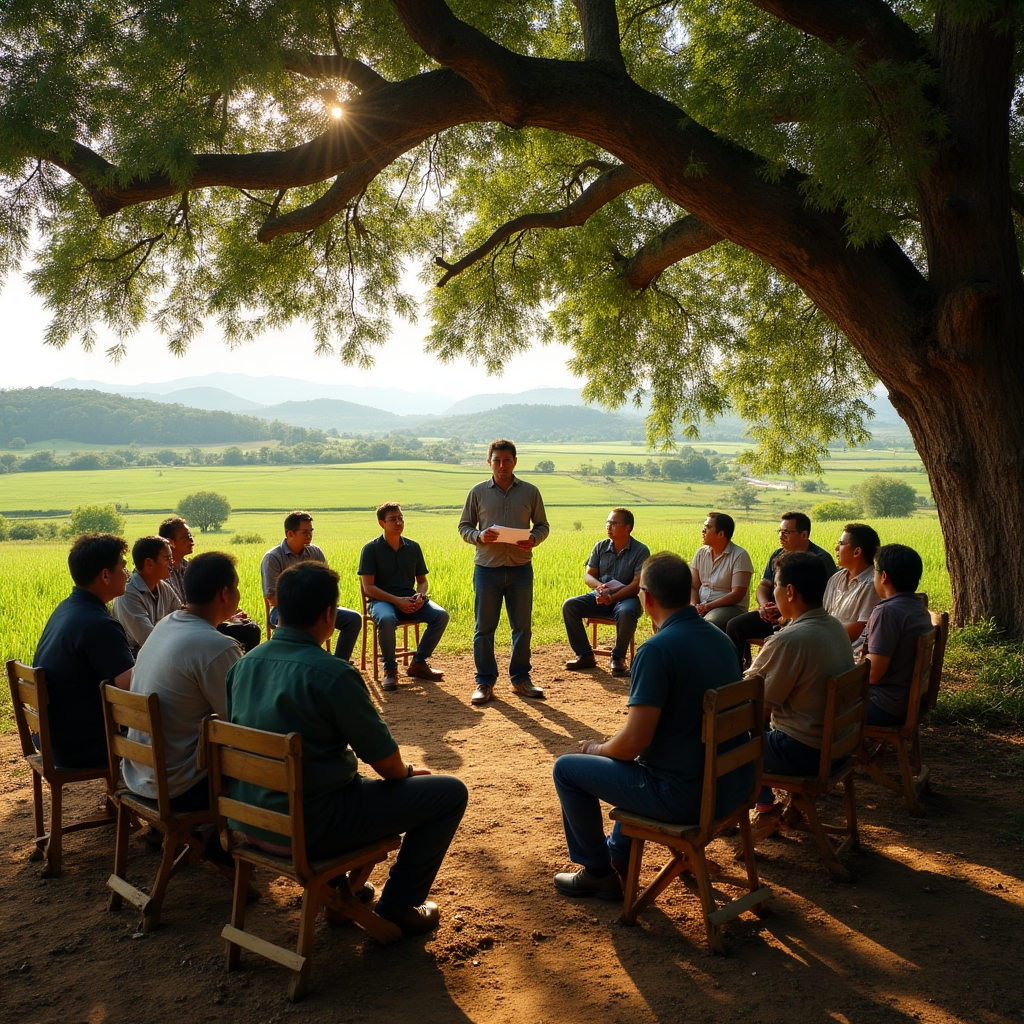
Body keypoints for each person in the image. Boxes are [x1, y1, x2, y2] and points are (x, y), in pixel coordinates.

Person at [225, 562, 468, 936]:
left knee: (344, 781)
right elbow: (386, 764)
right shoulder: (331, 673)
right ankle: (398, 906)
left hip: (252, 820)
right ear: (329, 615)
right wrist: (405, 774)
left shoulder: (241, 666)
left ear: (278, 612)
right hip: (311, 828)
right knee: (448, 793)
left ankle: (344, 892)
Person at [550, 552, 752, 900]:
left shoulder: (657, 649)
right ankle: (618, 854)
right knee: (630, 761)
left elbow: (634, 742)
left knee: (568, 768)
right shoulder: (720, 638)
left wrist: (596, 749)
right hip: (732, 784)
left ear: (646, 598)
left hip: (686, 797)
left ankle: (597, 871)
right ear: (688, 591)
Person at [121, 552, 243, 813]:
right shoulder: (217, 646)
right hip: (181, 786)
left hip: (139, 774)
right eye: (237, 588)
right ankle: (223, 844)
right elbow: (240, 722)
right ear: (224, 594)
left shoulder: (165, 624)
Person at [744, 552, 855, 818]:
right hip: (840, 746)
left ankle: (762, 807)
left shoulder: (791, 640)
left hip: (803, 752)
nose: (774, 596)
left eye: (777, 588)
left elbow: (756, 707)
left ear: (790, 591)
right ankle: (774, 805)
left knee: (721, 743)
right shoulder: (835, 626)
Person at [458, 439, 549, 705]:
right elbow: (464, 526)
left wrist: (534, 538)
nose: (502, 465)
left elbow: (543, 525)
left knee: (522, 627)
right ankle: (484, 682)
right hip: (487, 569)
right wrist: (479, 535)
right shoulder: (477, 492)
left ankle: (521, 680)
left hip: (521, 568)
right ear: (489, 462)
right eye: (496, 460)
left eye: (507, 460)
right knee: (484, 629)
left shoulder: (530, 492)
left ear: (515, 462)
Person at [33, 533, 134, 768]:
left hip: (54, 738)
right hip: (83, 747)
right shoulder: (98, 624)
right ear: (105, 575)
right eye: (123, 566)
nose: (127, 574)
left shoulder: (67, 608)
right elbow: (131, 686)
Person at [358, 502, 450, 692]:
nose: (399, 522)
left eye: (401, 518)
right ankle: (390, 670)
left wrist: (420, 596)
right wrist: (397, 601)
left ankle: (418, 662)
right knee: (386, 618)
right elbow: (369, 588)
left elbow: (422, 581)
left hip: (409, 600)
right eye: (393, 519)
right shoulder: (371, 549)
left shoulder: (413, 547)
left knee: (441, 615)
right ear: (382, 523)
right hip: (382, 602)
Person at [726, 511, 836, 666]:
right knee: (735, 626)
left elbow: (824, 598)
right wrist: (765, 606)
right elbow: (764, 585)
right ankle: (735, 673)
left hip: (798, 618)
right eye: (780, 532)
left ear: (804, 535)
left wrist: (783, 609)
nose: (781, 536)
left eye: (786, 532)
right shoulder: (778, 554)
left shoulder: (820, 560)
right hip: (771, 613)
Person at [261, 511, 361, 661]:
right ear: (290, 534)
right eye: (305, 532)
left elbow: (327, 585)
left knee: (353, 619)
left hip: (317, 608)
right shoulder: (273, 558)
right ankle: (307, 662)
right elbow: (274, 599)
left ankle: (339, 663)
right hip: (284, 611)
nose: (309, 535)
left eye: (311, 531)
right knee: (307, 622)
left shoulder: (315, 552)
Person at [562, 508, 649, 676]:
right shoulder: (600, 546)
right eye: (608, 523)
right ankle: (585, 655)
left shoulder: (640, 550)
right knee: (570, 605)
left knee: (626, 612)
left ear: (627, 527)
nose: (609, 526)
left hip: (626, 598)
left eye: (614, 523)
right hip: (601, 596)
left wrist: (614, 597)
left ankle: (617, 658)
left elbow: (637, 583)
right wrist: (600, 588)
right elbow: (589, 575)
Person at [161, 516, 261, 652]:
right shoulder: (164, 574)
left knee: (250, 628)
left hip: (202, 619)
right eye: (186, 536)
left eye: (191, 535)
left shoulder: (190, 567)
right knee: (247, 633)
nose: (192, 540)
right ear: (170, 542)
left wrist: (225, 615)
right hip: (187, 627)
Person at [864, 544, 933, 726]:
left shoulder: (887, 612)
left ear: (884, 576)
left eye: (875, 572)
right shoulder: (917, 607)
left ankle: (836, 753)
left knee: (814, 704)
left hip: (884, 706)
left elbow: (873, 674)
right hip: (907, 702)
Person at [111, 535, 181, 655]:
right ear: (149, 563)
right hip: (137, 661)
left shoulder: (163, 587)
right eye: (167, 558)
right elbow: (149, 640)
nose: (172, 563)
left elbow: (182, 617)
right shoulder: (128, 593)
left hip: (162, 654)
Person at [823, 522, 881, 658]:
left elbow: (861, 628)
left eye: (841, 543)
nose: (836, 548)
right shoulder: (836, 578)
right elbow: (823, 614)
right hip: (827, 645)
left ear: (857, 551)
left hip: (849, 655)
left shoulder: (872, 584)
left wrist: (818, 640)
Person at [690, 512, 754, 632]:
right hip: (702, 605)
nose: (703, 531)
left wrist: (708, 606)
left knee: (707, 625)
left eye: (708, 527)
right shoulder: (701, 553)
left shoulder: (739, 555)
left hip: (729, 607)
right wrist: (694, 605)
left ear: (720, 534)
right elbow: (693, 586)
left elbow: (737, 594)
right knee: (673, 620)